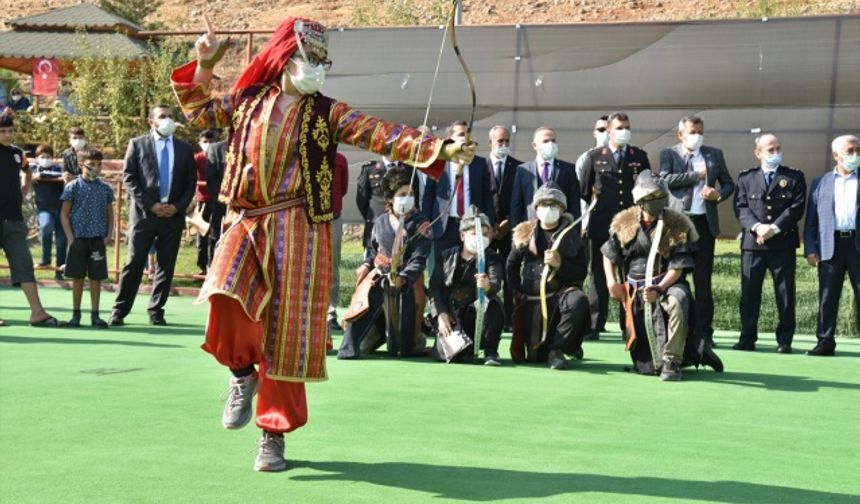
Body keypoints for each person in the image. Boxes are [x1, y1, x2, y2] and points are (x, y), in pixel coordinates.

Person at [172, 15, 474, 471]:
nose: (316, 66)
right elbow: (198, 112)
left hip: (298, 228)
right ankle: (240, 376)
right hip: (246, 219)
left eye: (321, 59)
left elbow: (379, 132)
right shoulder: (248, 100)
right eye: (309, 57)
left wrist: (439, 150)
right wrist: (204, 64)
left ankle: (271, 436)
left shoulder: (327, 112)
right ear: (284, 59)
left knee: (285, 334)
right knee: (223, 296)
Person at [602, 171, 723, 380]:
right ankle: (698, 352)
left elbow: (678, 267)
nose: (655, 201)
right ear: (639, 200)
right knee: (647, 366)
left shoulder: (676, 224)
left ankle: (672, 361)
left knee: (678, 300)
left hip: (667, 284)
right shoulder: (625, 223)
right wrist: (612, 283)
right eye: (650, 197)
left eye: (659, 196)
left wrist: (659, 289)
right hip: (636, 293)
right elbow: (609, 255)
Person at [108, 104, 197, 327]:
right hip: (144, 215)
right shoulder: (137, 144)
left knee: (166, 266)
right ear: (152, 121)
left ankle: (156, 310)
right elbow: (129, 178)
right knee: (134, 263)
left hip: (172, 216)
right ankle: (119, 310)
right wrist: (150, 205)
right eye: (162, 116)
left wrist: (178, 207)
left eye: (170, 116)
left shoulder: (185, 149)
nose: (167, 120)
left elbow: (190, 183)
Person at [339, 166, 431, 359]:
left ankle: (411, 339)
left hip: (408, 282)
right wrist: (366, 264)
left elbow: (419, 258)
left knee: (404, 347)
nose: (408, 198)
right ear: (390, 198)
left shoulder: (421, 223)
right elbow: (373, 250)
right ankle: (362, 339)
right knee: (361, 343)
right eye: (402, 194)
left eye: (411, 193)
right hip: (380, 277)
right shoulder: (380, 221)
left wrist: (403, 278)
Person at [658, 116, 735, 347]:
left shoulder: (714, 154)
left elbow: (729, 183)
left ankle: (704, 333)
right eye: (692, 132)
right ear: (680, 134)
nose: (697, 136)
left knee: (703, 281)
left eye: (700, 132)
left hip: (703, 224)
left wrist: (718, 195)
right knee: (673, 276)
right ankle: (670, 329)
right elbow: (664, 180)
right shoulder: (669, 154)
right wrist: (696, 176)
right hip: (678, 224)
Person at [580, 112, 651, 339]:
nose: (624, 131)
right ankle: (594, 325)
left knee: (629, 273)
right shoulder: (594, 157)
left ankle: (628, 324)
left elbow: (646, 186)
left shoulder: (638, 156)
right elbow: (584, 191)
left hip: (631, 224)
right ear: (608, 130)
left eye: (627, 127)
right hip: (602, 223)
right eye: (619, 127)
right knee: (599, 276)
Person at [733, 134, 806, 353]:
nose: (775, 153)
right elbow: (741, 207)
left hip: (782, 244)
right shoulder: (746, 178)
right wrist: (757, 228)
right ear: (758, 153)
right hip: (753, 244)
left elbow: (796, 207)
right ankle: (747, 338)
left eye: (778, 149)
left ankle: (785, 340)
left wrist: (773, 229)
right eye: (770, 150)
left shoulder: (794, 177)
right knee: (749, 293)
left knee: (784, 293)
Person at [507, 183, 590, 370]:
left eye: (554, 204)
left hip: (559, 299)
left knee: (577, 301)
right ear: (536, 208)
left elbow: (581, 271)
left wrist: (560, 265)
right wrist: (516, 291)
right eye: (544, 204)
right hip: (530, 301)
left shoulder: (570, 235)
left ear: (562, 208)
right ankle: (553, 348)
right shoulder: (525, 233)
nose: (549, 209)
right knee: (534, 357)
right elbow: (511, 265)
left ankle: (558, 349)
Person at [0, 113, 59, 326]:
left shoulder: (18, 153)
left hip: (14, 219)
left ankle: (37, 313)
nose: (7, 135)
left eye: (10, 131)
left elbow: (27, 171)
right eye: (2, 131)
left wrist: (24, 190)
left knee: (24, 263)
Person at [803, 134, 860, 356]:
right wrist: (810, 248)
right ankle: (825, 341)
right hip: (830, 245)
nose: (855, 155)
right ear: (836, 155)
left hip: (857, 244)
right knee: (827, 296)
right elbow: (811, 221)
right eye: (850, 151)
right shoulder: (821, 182)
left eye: (857, 150)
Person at [429, 206, 504, 365]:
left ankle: (491, 351)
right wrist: (441, 314)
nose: (480, 237)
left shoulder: (493, 258)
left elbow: (496, 283)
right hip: (453, 315)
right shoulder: (446, 256)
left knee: (494, 304)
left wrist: (487, 285)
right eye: (474, 233)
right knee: (452, 356)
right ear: (463, 236)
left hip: (479, 314)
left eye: (484, 234)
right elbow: (435, 289)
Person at [423, 120, 496, 256]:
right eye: (461, 134)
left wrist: (490, 223)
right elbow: (429, 195)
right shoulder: (439, 163)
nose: (465, 138)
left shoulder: (480, 163)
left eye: (467, 134)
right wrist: (426, 220)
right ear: (450, 139)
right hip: (444, 226)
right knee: (442, 270)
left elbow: (487, 196)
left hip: (472, 225)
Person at [60, 149, 115, 328]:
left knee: (96, 278)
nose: (96, 168)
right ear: (81, 165)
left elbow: (110, 215)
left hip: (97, 239)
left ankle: (95, 315)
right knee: (77, 277)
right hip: (78, 239)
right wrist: (71, 238)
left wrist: (108, 235)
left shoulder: (105, 188)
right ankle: (76, 314)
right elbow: (64, 214)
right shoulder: (72, 187)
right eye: (91, 165)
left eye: (99, 165)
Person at [510, 126, 581, 229]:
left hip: (559, 229)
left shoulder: (568, 169)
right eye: (545, 141)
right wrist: (516, 235)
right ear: (534, 145)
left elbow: (574, 204)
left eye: (553, 140)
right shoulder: (523, 170)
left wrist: (574, 232)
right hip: (531, 229)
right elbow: (516, 205)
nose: (550, 144)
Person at [485, 125, 521, 330]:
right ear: (491, 142)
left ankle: (509, 318)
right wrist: (488, 224)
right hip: (485, 229)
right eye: (500, 141)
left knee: (509, 272)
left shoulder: (519, 168)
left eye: (507, 141)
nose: (504, 145)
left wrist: (510, 221)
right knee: (484, 272)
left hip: (510, 230)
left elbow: (520, 199)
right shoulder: (481, 165)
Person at [356, 155, 412, 257]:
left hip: (402, 228)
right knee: (371, 264)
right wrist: (374, 218)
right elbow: (361, 201)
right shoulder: (370, 169)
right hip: (375, 228)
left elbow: (414, 197)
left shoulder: (409, 169)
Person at [30, 143, 67, 279]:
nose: (46, 159)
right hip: (44, 209)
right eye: (43, 156)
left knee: (61, 240)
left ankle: (60, 269)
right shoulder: (33, 169)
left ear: (53, 158)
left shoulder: (58, 169)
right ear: (37, 158)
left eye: (48, 156)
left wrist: (47, 175)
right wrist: (35, 176)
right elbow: (24, 174)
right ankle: (45, 259)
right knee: (46, 227)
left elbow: (62, 175)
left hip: (61, 209)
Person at [574, 115, 610, 232]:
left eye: (609, 129)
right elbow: (581, 194)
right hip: (595, 220)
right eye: (601, 129)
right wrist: (584, 223)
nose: (605, 133)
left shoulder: (625, 156)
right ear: (594, 133)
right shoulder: (586, 158)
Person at [193, 129, 220, 274]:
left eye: (211, 142)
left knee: (216, 233)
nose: (208, 145)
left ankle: (214, 265)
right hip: (203, 200)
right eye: (205, 142)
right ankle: (202, 266)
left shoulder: (221, 157)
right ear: (200, 143)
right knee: (202, 233)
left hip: (218, 200)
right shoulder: (197, 158)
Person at [327, 151, 349, 332]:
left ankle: (330, 312)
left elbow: (343, 189)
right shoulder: (306, 154)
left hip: (333, 218)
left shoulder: (341, 159)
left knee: (332, 265)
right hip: (309, 220)